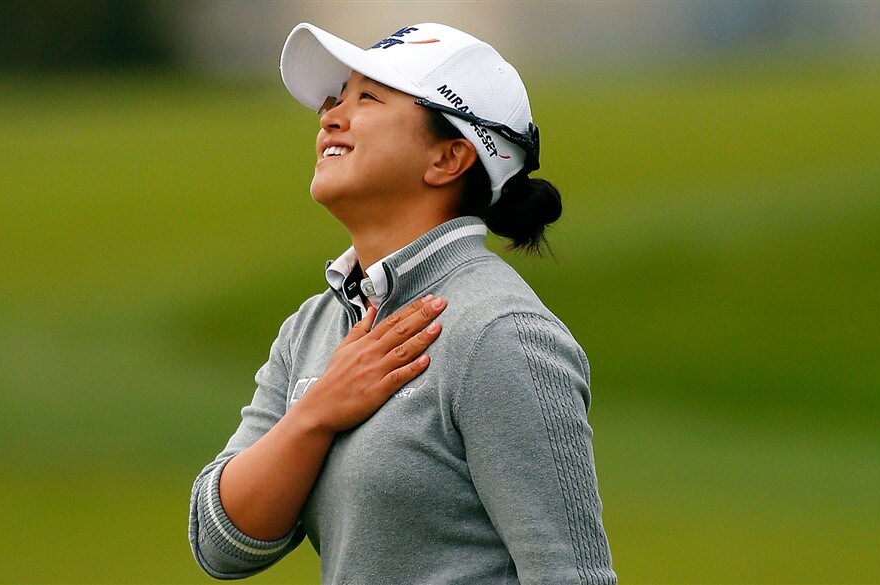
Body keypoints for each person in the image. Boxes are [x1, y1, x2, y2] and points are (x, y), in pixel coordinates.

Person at [189, 22, 616, 584]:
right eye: (337, 98)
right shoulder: (315, 328)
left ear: (449, 158)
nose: (331, 116)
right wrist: (318, 411)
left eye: (367, 98)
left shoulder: (500, 332)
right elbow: (220, 543)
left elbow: (572, 576)